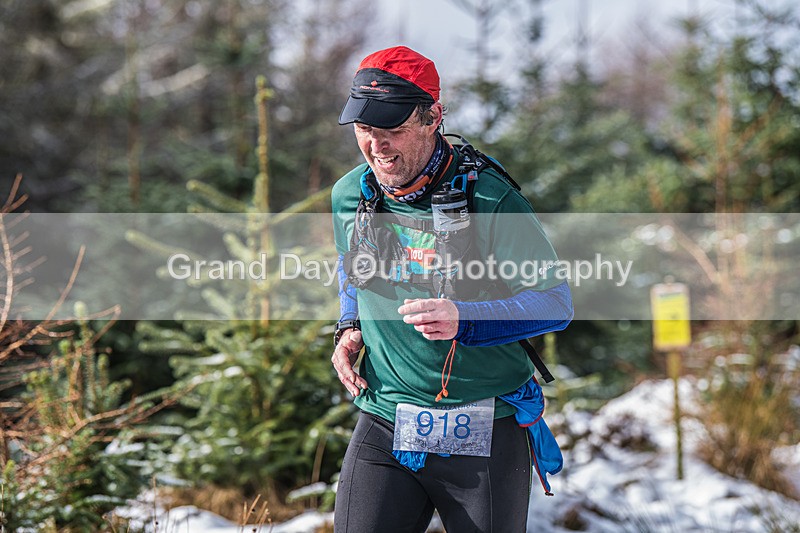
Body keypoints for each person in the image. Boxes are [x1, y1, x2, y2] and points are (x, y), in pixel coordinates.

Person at [330, 45, 573, 532]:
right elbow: (352, 268)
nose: (377, 146)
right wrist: (349, 325)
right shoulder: (351, 194)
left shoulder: (491, 199)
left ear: (432, 117)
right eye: (365, 130)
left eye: (393, 129)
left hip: (483, 426)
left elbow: (555, 303)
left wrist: (467, 320)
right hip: (386, 415)